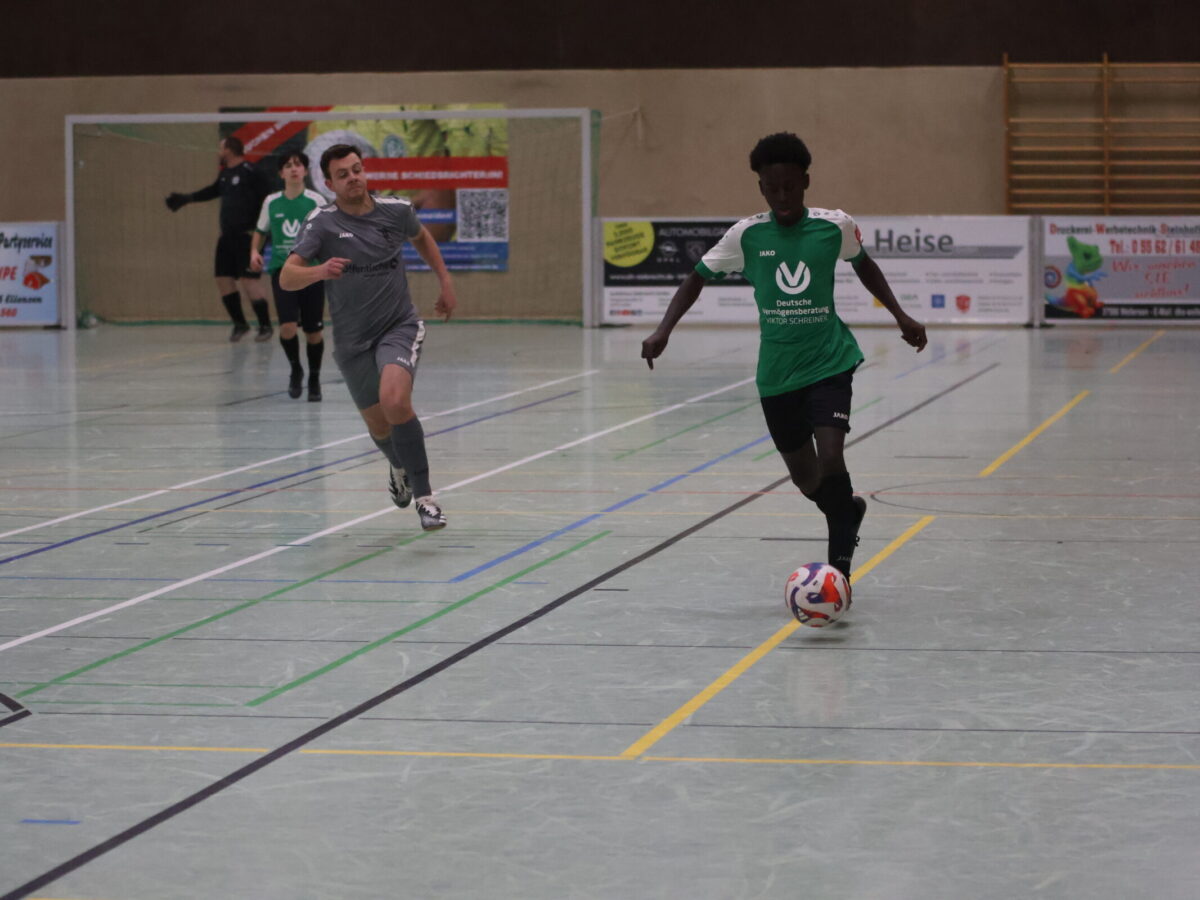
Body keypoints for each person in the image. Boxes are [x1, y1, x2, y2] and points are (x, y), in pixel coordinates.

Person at [641, 132, 927, 585]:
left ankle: (839, 572)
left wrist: (900, 314)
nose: (782, 196)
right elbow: (696, 277)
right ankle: (847, 511)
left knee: (831, 456)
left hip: (830, 361)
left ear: (806, 182)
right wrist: (664, 330)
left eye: (790, 187)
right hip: (777, 375)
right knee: (808, 481)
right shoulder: (747, 235)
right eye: (772, 189)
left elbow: (863, 264)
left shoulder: (833, 226)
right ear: (760, 188)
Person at [282, 144, 457, 531]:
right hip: (352, 341)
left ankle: (426, 499)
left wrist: (445, 282)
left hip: (398, 326)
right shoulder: (321, 223)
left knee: (396, 402)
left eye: (357, 169)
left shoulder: (396, 210)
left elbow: (422, 238)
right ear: (330, 184)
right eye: (343, 174)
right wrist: (320, 271)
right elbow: (287, 277)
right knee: (379, 427)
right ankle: (398, 466)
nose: (353, 178)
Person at [166, 136, 275, 342]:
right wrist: (187, 198)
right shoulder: (225, 174)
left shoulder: (252, 172)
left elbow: (268, 200)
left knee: (249, 280)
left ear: (229, 150)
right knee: (222, 279)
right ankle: (240, 324)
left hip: (248, 237)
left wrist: (262, 231)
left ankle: (265, 326)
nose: (218, 152)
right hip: (227, 237)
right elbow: (213, 190)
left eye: (220, 148)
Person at [250, 151, 328, 400]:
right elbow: (260, 230)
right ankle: (296, 369)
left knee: (313, 332)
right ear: (281, 173)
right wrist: (254, 251)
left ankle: (314, 377)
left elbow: (328, 231)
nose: (293, 168)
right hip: (282, 272)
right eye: (288, 165)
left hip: (311, 272)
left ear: (305, 171)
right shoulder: (272, 202)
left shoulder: (316, 200)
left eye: (298, 165)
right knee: (287, 327)